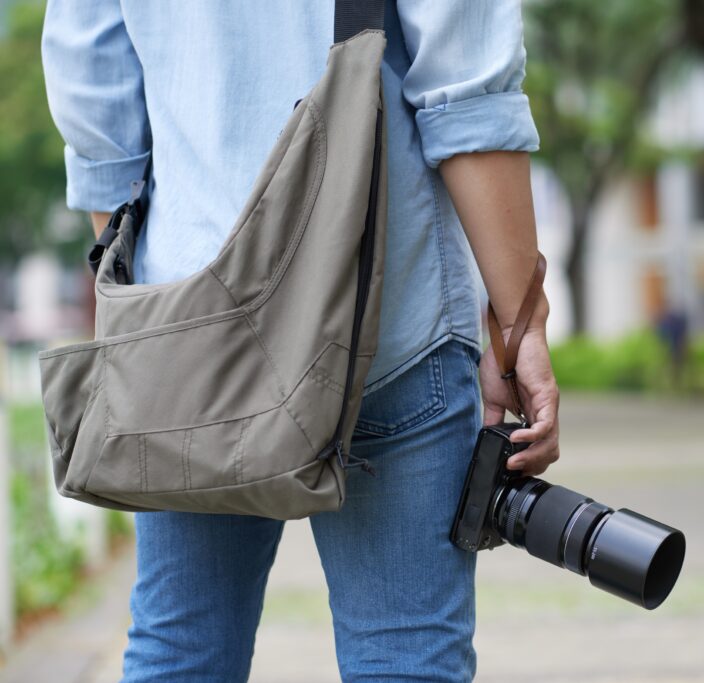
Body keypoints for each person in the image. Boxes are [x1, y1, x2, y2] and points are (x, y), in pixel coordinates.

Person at [41, 1, 560, 680]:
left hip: (189, 342)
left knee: (182, 646)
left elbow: (95, 95)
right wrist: (517, 323)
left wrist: (151, 318)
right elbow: (466, 82)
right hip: (386, 321)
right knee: (405, 654)